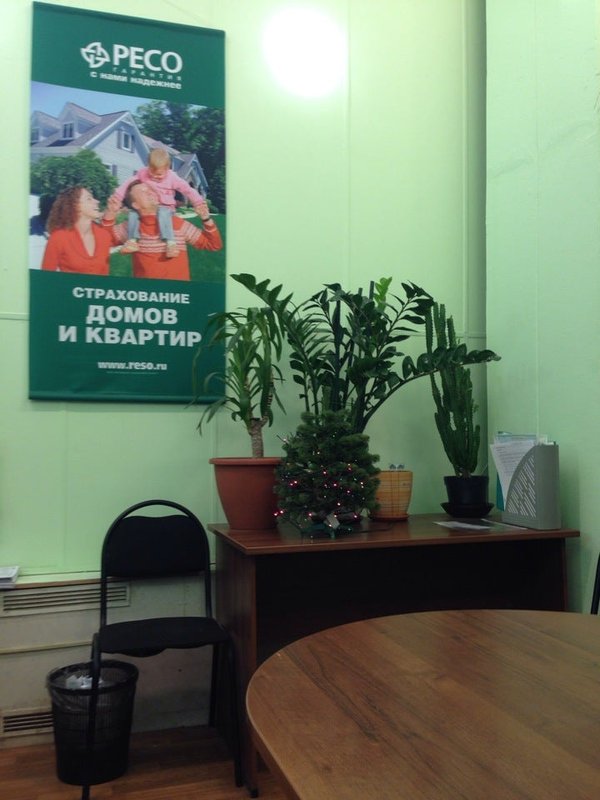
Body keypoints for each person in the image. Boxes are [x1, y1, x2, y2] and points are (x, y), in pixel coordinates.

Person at [103, 180, 222, 281]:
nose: (150, 192)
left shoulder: (177, 223)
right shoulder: (130, 227)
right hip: (148, 296)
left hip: (177, 295)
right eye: (143, 192)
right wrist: (110, 213)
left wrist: (206, 218)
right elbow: (103, 242)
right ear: (136, 205)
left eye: (150, 190)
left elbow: (213, 244)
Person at [111, 147, 208, 258]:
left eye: (159, 174)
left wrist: (198, 201)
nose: (155, 177)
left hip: (167, 208)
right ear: (148, 166)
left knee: (163, 212)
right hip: (150, 207)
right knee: (133, 214)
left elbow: (187, 189)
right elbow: (128, 183)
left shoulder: (172, 177)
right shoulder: (143, 173)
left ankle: (171, 243)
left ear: (167, 169)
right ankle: (132, 241)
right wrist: (118, 196)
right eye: (152, 173)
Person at [41, 186, 113, 275]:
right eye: (89, 199)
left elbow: (105, 274)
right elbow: (45, 277)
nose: (97, 201)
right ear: (75, 206)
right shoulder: (58, 238)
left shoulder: (104, 236)